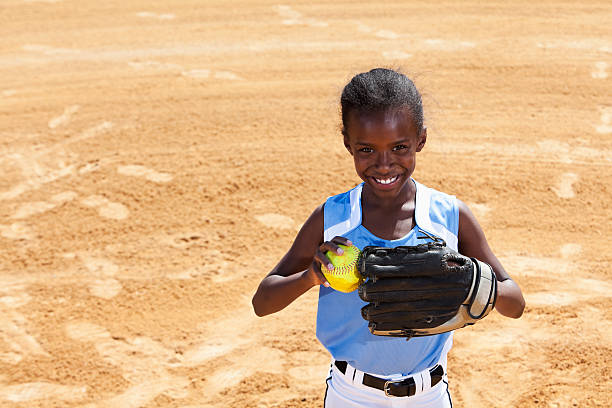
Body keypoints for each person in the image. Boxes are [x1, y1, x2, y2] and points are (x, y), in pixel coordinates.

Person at [252, 68, 525, 407]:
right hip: (351, 395)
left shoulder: (450, 216)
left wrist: (471, 278)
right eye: (366, 150)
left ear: (420, 140)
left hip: (429, 395)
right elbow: (262, 303)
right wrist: (311, 276)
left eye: (399, 147)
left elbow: (515, 304)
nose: (384, 164)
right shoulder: (334, 218)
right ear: (347, 143)